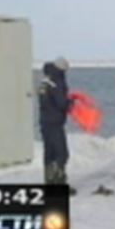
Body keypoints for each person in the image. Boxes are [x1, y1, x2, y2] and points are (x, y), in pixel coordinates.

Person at [38, 57, 76, 194]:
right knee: (62, 154)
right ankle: (59, 183)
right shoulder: (57, 81)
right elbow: (61, 103)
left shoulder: (45, 81)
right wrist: (70, 102)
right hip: (55, 123)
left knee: (49, 154)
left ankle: (49, 183)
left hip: (44, 122)